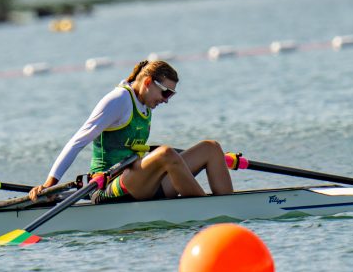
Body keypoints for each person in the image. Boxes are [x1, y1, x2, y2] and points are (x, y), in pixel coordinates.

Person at [28, 59, 233, 204]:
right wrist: (49, 184)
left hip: (139, 182)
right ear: (147, 83)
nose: (166, 100)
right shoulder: (117, 100)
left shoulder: (145, 102)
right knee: (166, 153)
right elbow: (77, 142)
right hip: (107, 187)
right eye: (166, 92)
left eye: (171, 95)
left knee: (211, 148)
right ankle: (205, 211)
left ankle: (231, 210)